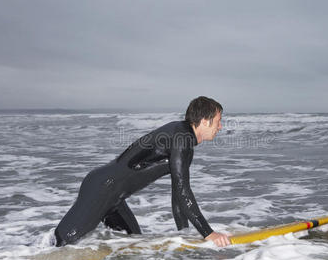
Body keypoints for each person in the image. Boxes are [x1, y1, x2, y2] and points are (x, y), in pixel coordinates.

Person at [54, 96, 231, 247]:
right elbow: (184, 192)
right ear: (205, 121)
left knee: (131, 247)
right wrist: (208, 233)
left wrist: (184, 234)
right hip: (102, 189)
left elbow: (178, 194)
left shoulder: (183, 139)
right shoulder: (182, 138)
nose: (220, 127)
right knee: (61, 245)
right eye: (218, 121)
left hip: (113, 197)